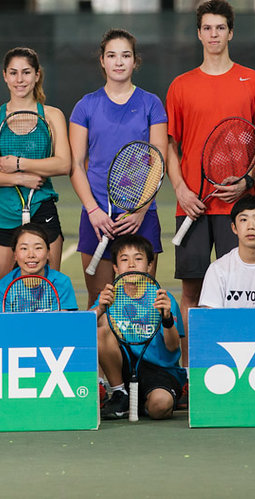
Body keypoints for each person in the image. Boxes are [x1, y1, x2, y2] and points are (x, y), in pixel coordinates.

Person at [167, 0, 255, 347]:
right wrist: (180, 189)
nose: (214, 34)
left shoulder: (254, 81)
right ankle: (188, 370)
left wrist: (246, 180)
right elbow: (171, 146)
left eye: (220, 28)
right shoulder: (180, 86)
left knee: (243, 291)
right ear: (199, 34)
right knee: (192, 294)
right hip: (192, 207)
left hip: (240, 208)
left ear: (230, 32)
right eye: (207, 28)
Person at [69, 29, 167, 305]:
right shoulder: (85, 106)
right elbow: (75, 164)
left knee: (143, 300)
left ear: (135, 61)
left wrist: (140, 210)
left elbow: (158, 160)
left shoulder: (151, 103)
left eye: (126, 55)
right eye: (112, 55)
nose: (119, 62)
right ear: (102, 61)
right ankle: (105, 351)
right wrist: (93, 210)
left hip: (141, 216)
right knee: (99, 300)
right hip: (97, 218)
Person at [0, 47, 71, 294]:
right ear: (4, 76)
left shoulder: (52, 116)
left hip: (42, 210)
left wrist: (20, 163)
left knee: (48, 294)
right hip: (1, 215)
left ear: (37, 75)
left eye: (26, 72)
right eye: (13, 73)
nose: (20, 79)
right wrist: (17, 179)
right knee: (2, 296)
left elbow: (63, 164)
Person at [96, 234, 185, 420]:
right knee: (101, 325)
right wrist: (99, 309)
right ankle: (120, 393)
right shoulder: (109, 296)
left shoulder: (162, 298)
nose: (131, 265)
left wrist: (167, 319)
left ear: (150, 265)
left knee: (160, 406)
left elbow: (173, 346)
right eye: (124, 259)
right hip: (123, 368)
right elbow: (84, 333)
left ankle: (141, 405)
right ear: (115, 267)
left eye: (138, 259)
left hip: (160, 371)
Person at [198, 195, 255, 309]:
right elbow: (210, 320)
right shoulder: (218, 270)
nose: (251, 226)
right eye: (244, 220)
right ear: (234, 228)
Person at [0, 224, 79, 312]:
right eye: (24, 248)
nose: (31, 255)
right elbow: (0, 325)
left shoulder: (61, 283)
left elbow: (64, 322)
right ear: (15, 254)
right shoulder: (1, 289)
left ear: (48, 253)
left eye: (38, 248)